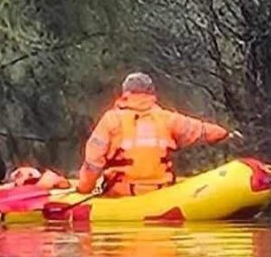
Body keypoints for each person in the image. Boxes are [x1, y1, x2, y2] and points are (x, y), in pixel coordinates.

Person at [76, 72, 241, 197]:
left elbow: (93, 163)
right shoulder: (167, 119)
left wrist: (84, 189)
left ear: (125, 93)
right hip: (160, 191)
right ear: (151, 93)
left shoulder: (111, 120)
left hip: (121, 194)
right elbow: (200, 130)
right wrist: (226, 134)